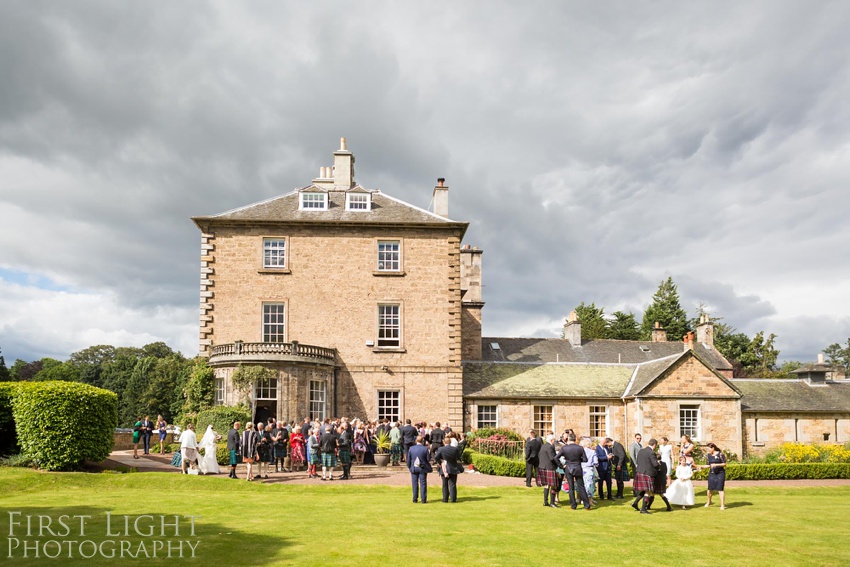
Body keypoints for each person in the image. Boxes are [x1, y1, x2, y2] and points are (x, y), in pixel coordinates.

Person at [555, 434, 591, 510]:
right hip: (578, 467)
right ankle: (587, 505)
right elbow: (585, 459)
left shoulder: (564, 448)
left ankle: (573, 505)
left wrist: (562, 466)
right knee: (581, 487)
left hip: (568, 468)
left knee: (571, 488)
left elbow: (556, 458)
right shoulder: (580, 448)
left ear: (568, 439)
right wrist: (578, 460)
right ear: (575, 439)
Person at [433, 434, 466, 503]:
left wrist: (439, 462)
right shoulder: (455, 449)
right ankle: (453, 499)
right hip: (453, 467)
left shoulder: (441, 449)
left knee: (444, 485)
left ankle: (445, 499)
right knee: (453, 484)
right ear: (450, 442)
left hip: (444, 467)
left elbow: (436, 457)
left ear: (443, 442)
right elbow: (458, 457)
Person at [632, 438, 660, 514]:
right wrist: (658, 463)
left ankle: (635, 503)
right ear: (654, 445)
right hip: (647, 473)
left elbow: (638, 461)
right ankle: (643, 509)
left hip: (639, 472)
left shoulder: (641, 451)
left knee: (644, 490)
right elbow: (655, 464)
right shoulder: (651, 452)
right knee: (648, 491)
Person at [701, 442, 728, 510]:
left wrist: (716, 464)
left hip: (720, 473)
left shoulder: (720, 454)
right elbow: (708, 465)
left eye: (709, 449)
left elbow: (724, 464)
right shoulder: (708, 455)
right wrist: (701, 467)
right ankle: (709, 501)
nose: (708, 451)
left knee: (720, 489)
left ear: (713, 448)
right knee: (709, 489)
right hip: (712, 473)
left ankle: (722, 505)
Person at [407, 435, 432, 503]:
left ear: (416, 441)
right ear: (422, 441)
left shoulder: (411, 448)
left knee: (414, 484)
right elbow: (428, 459)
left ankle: (415, 499)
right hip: (422, 468)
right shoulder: (425, 448)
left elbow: (408, 460)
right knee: (423, 483)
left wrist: (410, 467)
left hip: (414, 467)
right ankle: (423, 499)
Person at [537, 434, 560, 508]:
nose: (554, 442)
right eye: (554, 440)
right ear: (551, 440)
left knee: (546, 485)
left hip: (543, 467)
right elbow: (552, 458)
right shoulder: (550, 447)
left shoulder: (543, 446)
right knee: (553, 486)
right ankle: (552, 502)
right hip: (550, 468)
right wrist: (560, 465)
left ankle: (545, 502)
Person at [580, 438, 599, 507]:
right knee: (590, 486)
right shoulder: (592, 452)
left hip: (581, 470)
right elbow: (596, 462)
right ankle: (590, 501)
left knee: (582, 485)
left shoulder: (580, 451)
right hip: (589, 470)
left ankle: (582, 499)